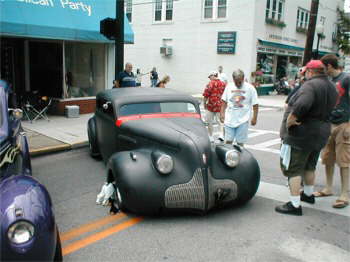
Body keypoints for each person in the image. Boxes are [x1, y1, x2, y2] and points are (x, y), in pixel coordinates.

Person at [275, 60, 338, 216]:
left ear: (310, 71)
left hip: (302, 134)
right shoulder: (331, 86)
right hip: (321, 132)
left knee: (293, 169)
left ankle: (295, 205)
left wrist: (291, 118)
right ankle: (308, 195)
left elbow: (303, 104)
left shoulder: (310, 85)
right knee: (310, 166)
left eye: (305, 72)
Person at [315, 54, 350, 208]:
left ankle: (344, 194)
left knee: (344, 160)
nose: (323, 71)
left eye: (323, 68)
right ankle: (328, 188)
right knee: (327, 157)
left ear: (329, 66)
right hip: (327, 124)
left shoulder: (346, 79)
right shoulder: (327, 81)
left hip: (343, 124)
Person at [220, 69, 258, 147]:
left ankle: (240, 158)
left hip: (243, 120)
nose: (238, 84)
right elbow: (224, 101)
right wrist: (222, 113)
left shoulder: (250, 88)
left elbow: (255, 105)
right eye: (236, 82)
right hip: (229, 119)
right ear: (233, 79)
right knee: (228, 142)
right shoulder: (229, 86)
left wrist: (254, 118)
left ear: (243, 78)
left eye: (240, 82)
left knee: (240, 143)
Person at [203, 71, 226, 141]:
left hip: (211, 105)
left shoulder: (210, 84)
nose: (209, 78)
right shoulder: (223, 84)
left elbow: (206, 95)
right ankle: (221, 135)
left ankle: (211, 136)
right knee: (220, 121)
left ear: (213, 76)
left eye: (210, 77)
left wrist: (204, 104)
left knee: (209, 121)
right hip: (220, 105)